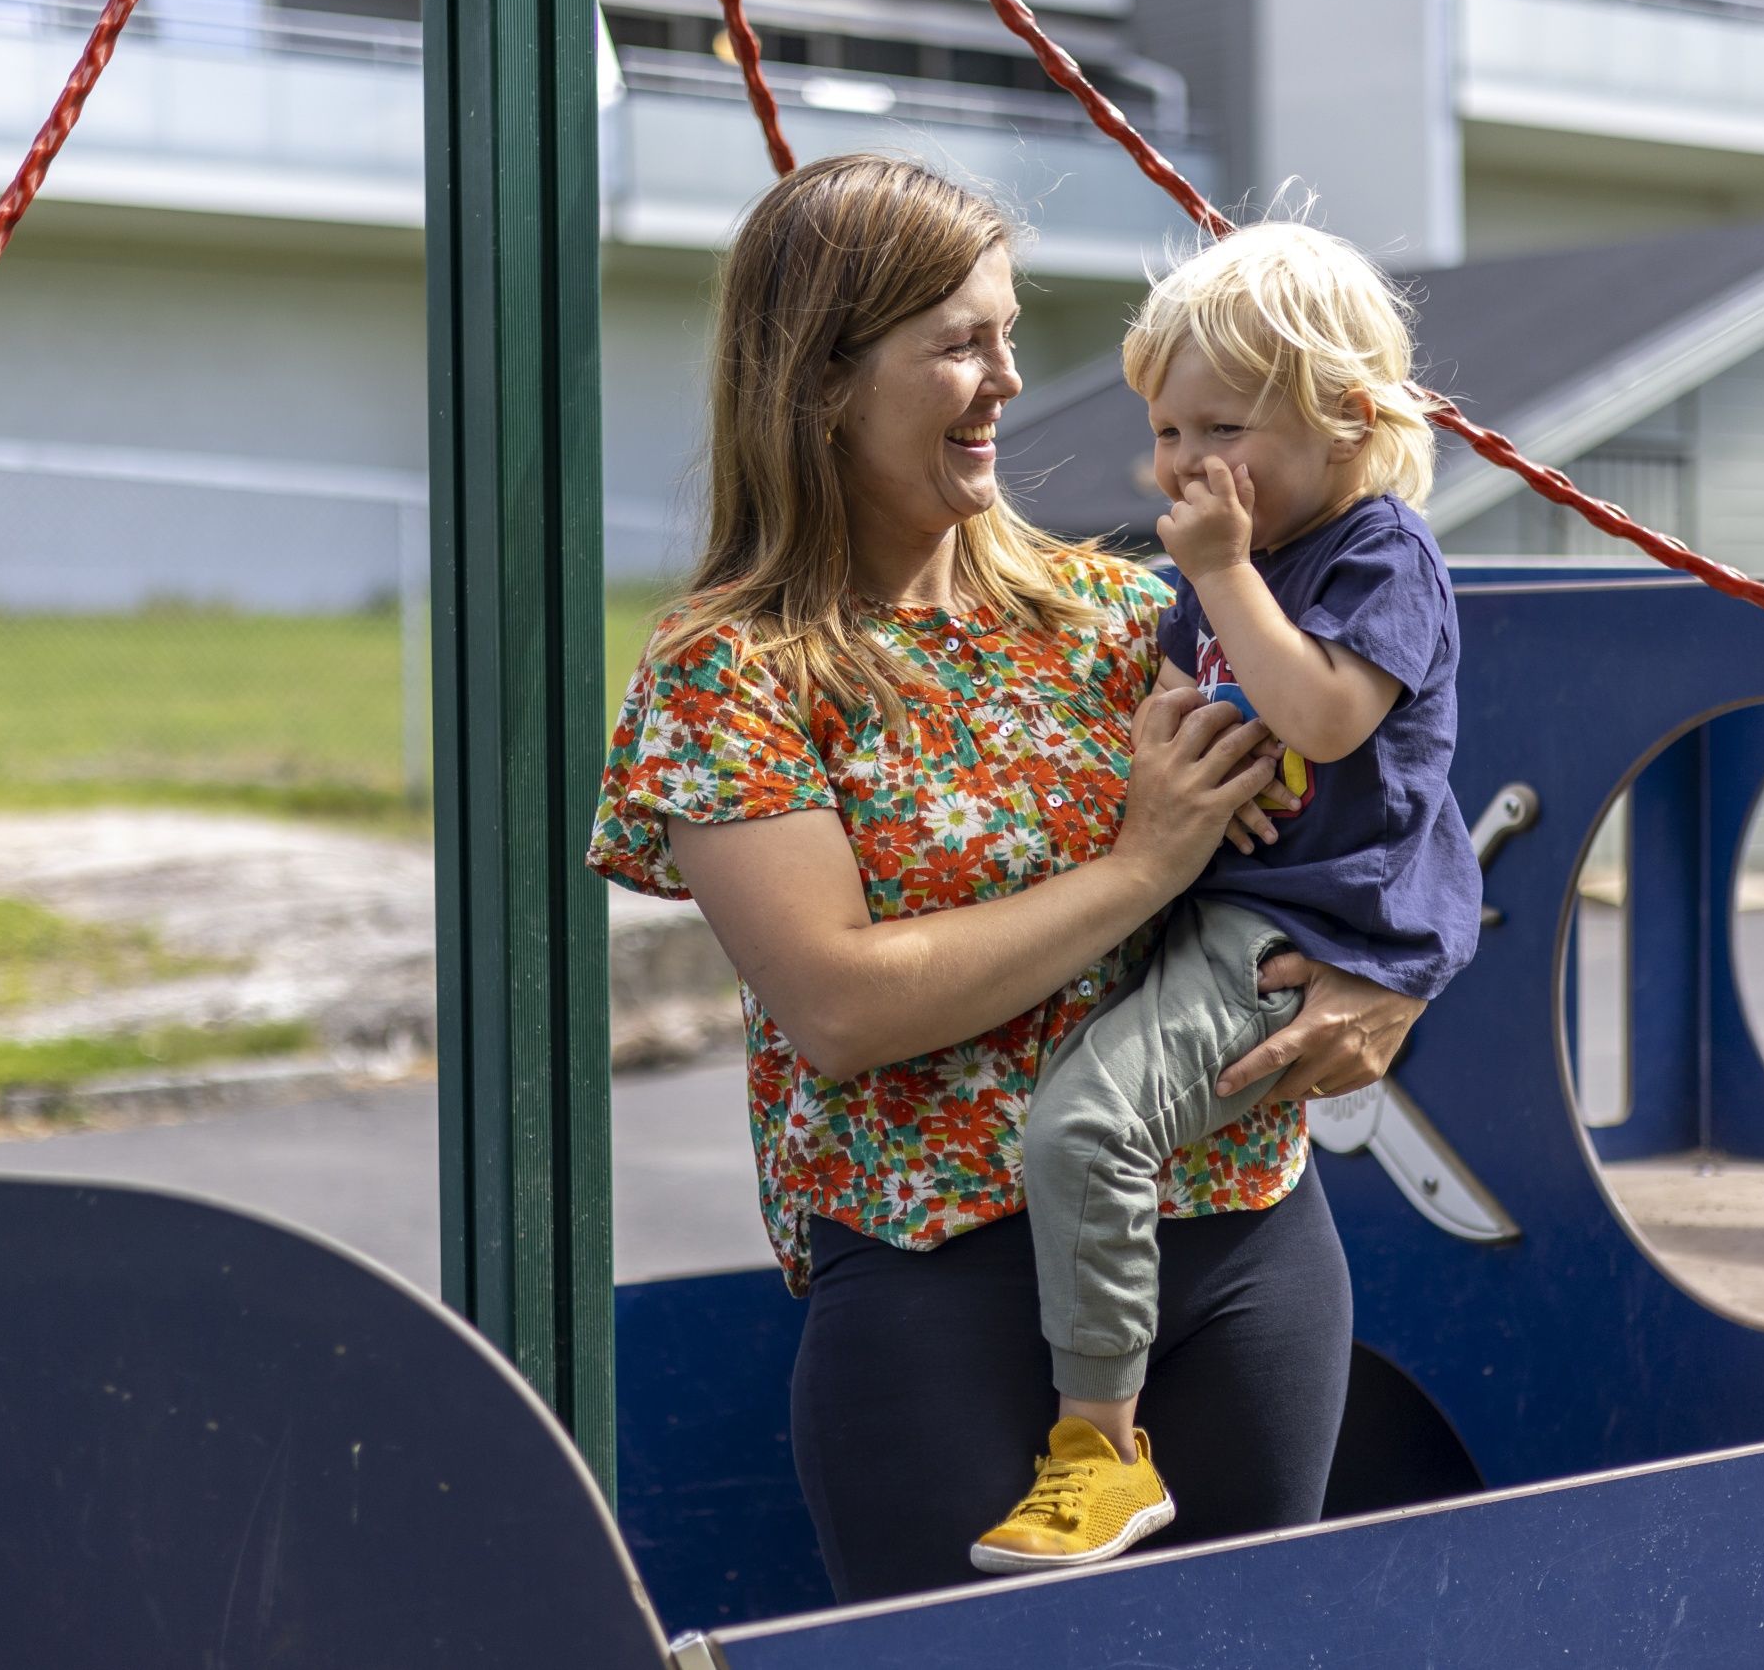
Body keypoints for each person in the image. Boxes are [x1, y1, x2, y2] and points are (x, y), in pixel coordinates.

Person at [585, 154, 1429, 1602]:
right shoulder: (733, 671)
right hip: (939, 1284)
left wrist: (1392, 984)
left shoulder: (1127, 609)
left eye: (1008, 332)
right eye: (960, 344)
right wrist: (1140, 865)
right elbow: (839, 1005)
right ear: (822, 379)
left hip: (1236, 1248)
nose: (1007, 381)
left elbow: (1378, 799)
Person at [969, 222, 1482, 1574]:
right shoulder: (1253, 553)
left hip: (1302, 928)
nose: (1182, 465)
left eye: (1219, 426)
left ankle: (1098, 1445)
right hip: (1241, 891)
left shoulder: (1380, 556)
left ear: (1350, 420)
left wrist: (1217, 575)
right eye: (1165, 429)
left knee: (1087, 1125)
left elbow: (1315, 707)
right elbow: (1217, 704)